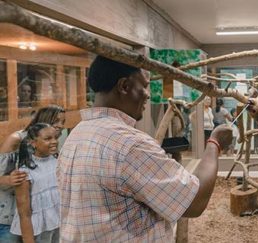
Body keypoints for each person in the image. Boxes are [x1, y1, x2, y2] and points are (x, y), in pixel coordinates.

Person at [57, 56, 232, 242]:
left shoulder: (75, 135)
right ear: (124, 86)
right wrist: (214, 143)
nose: (147, 94)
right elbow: (194, 202)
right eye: (144, 86)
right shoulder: (129, 144)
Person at [0, 105, 65, 241]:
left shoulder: (51, 148)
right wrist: (8, 180)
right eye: (56, 121)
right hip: (9, 213)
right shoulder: (17, 139)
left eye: (63, 122)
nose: (61, 126)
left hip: (39, 215)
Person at [11, 123, 60, 243]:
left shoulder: (58, 161)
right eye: (48, 139)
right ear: (33, 143)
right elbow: (24, 214)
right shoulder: (25, 172)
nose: (54, 141)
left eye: (55, 137)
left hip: (60, 225)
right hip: (39, 231)